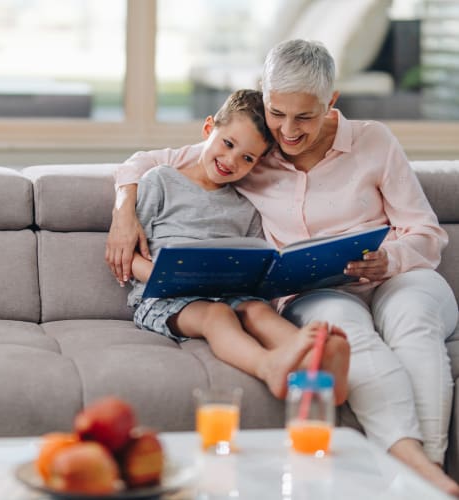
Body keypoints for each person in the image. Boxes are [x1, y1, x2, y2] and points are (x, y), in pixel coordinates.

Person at [105, 40, 459, 495]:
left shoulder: (374, 140)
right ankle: (420, 479)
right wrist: (122, 210)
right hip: (322, 291)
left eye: (305, 117)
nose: (288, 131)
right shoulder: (255, 150)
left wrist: (390, 258)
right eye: (277, 112)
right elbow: (152, 163)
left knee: (412, 324)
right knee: (346, 337)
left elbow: (427, 234)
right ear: (264, 95)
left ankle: (426, 473)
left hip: (401, 276)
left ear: (330, 103)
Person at [124, 88, 350, 401]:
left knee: (257, 310)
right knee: (218, 315)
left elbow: (257, 261)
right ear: (208, 129)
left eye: (247, 158)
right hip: (164, 296)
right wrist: (164, 276)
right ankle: (268, 366)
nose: (231, 161)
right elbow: (129, 256)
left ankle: (317, 359)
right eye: (227, 144)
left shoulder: (245, 204)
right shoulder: (160, 180)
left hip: (228, 292)